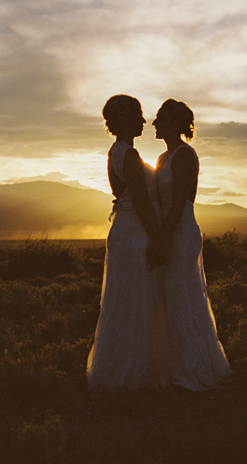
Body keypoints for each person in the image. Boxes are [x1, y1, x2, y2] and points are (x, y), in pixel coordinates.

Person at [87, 95, 171, 390]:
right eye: (137, 115)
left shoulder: (116, 152)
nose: (143, 121)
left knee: (125, 301)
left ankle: (120, 368)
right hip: (136, 234)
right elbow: (142, 202)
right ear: (124, 120)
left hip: (125, 231)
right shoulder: (129, 156)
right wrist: (159, 239)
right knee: (136, 298)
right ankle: (133, 374)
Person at [151, 98, 232, 391]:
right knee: (170, 296)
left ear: (174, 123)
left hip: (180, 231)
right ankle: (175, 363)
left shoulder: (185, 155)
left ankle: (193, 368)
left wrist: (162, 238)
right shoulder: (163, 158)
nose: (154, 123)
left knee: (183, 294)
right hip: (167, 229)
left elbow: (180, 202)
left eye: (160, 118)